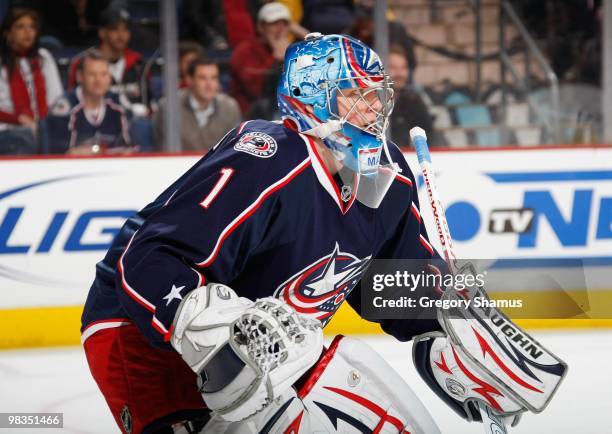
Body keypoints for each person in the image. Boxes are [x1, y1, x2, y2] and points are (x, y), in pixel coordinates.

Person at [79, 33, 551, 434]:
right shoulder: (269, 157)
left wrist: (449, 332)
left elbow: (387, 282)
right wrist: (213, 329)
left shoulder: (388, 176)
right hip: (139, 330)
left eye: (376, 96)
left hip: (273, 349)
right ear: (312, 97)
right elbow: (150, 257)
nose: (373, 110)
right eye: (355, 95)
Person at [0, 8, 63, 154]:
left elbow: (56, 99)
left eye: (32, 27)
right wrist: (19, 119)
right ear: (7, 33)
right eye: (20, 26)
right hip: (7, 129)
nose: (28, 32)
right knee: (25, 137)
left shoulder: (43, 58)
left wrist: (41, 124)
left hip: (42, 128)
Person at [66, 6, 150, 114]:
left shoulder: (139, 63)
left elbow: (148, 105)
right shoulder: (82, 63)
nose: (121, 35)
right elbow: (71, 101)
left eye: (126, 29)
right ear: (102, 33)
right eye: (114, 29)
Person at [47, 50, 131, 155]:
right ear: (79, 77)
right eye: (92, 74)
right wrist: (97, 151)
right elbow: (61, 153)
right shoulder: (64, 107)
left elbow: (131, 149)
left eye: (103, 74)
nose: (98, 80)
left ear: (110, 78)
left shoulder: (119, 103)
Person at [153, 56, 241, 152]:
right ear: (189, 80)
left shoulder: (230, 107)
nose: (209, 84)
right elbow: (162, 149)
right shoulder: (169, 107)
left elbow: (234, 149)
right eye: (202, 78)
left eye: (214, 78)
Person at [229, 2, 293, 114]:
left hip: (286, 110)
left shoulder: (294, 50)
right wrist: (276, 57)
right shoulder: (245, 50)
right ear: (260, 27)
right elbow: (254, 90)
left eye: (284, 24)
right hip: (250, 113)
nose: (280, 29)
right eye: (274, 24)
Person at [387, 45, 439, 148]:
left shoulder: (413, 102)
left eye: (403, 67)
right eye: (393, 67)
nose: (400, 73)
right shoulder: (370, 102)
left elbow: (428, 138)